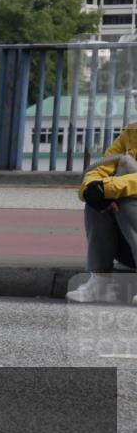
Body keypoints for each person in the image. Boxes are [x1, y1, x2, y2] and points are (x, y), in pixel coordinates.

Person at [69, 124, 137, 305]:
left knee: (120, 193)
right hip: (128, 247)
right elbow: (99, 168)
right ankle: (100, 283)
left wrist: (108, 187)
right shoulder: (132, 133)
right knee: (97, 199)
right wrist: (91, 189)